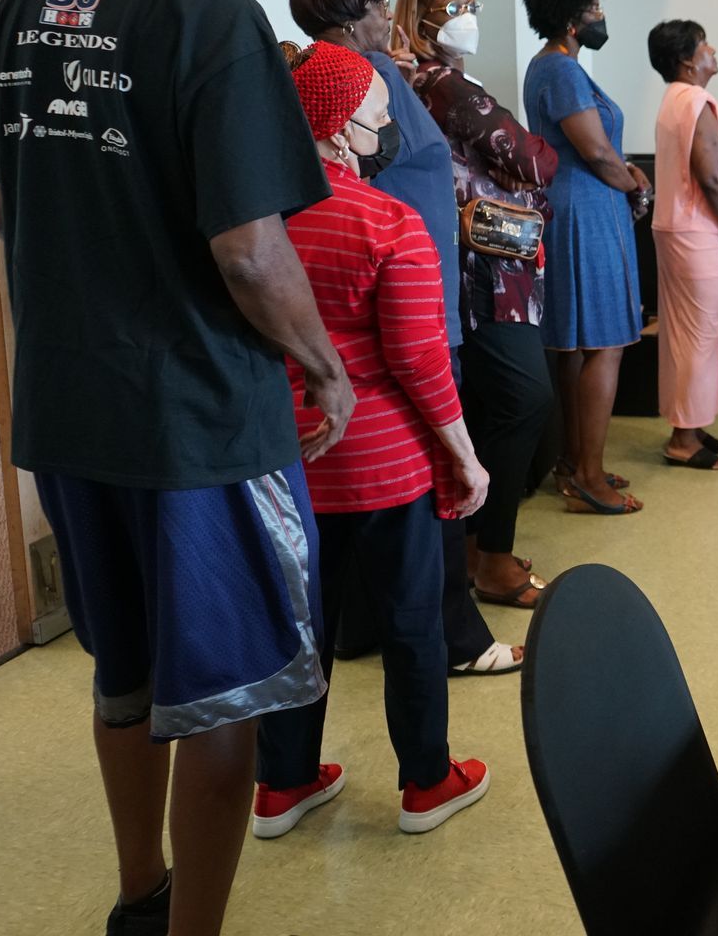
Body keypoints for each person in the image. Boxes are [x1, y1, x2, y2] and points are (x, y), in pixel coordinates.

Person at [0, 0, 348, 936]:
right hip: (194, 421)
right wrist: (326, 364)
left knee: (124, 677)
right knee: (222, 696)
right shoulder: (213, 15)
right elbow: (248, 247)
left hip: (70, 412)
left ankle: (141, 896)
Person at [252, 42, 493, 841]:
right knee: (411, 624)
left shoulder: (253, 224)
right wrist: (462, 454)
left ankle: (282, 783)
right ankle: (427, 782)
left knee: (298, 626)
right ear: (342, 124)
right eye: (380, 113)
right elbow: (420, 360)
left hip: (286, 462)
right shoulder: (389, 222)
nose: (391, 124)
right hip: (387, 466)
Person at [288, 0, 528, 661]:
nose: (387, 17)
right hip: (402, 291)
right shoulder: (354, 80)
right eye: (380, 2)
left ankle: (372, 628)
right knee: (435, 486)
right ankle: (455, 637)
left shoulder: (364, 71)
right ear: (352, 10)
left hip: (414, 281)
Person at [396, 0, 559, 608]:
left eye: (472, 1)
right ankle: (489, 554)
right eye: (455, 6)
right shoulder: (445, 86)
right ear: (423, 20)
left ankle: (479, 545)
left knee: (501, 404)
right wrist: (528, 162)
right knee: (525, 398)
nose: (469, 14)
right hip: (484, 273)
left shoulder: (445, 84)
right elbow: (532, 159)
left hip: (494, 260)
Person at [520, 0, 650, 514]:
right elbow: (595, 152)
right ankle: (591, 479)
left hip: (570, 207)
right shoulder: (564, 71)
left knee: (574, 346)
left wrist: (630, 176)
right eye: (595, 6)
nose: (601, 16)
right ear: (573, 17)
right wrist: (637, 186)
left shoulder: (548, 66)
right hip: (587, 211)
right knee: (606, 342)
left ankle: (574, 465)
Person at [648, 19, 718, 469]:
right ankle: (683, 439)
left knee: (685, 333)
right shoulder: (698, 101)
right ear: (687, 59)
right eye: (705, 43)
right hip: (696, 232)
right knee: (698, 336)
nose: (713, 49)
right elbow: (709, 175)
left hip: (676, 227)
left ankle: (693, 423)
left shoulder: (675, 99)